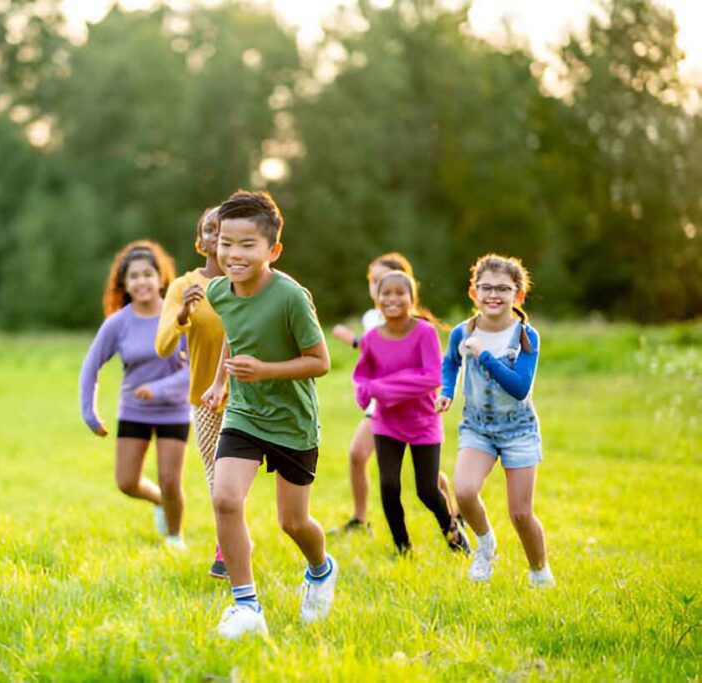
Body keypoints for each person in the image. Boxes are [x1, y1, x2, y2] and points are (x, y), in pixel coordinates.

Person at [200, 190, 336, 639]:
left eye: (247, 245)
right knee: (224, 498)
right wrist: (223, 381)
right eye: (225, 243)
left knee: (293, 522)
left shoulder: (290, 297)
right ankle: (246, 607)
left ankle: (320, 569)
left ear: (272, 250)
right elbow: (235, 336)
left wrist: (265, 371)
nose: (233, 254)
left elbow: (320, 361)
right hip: (243, 414)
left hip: (293, 423)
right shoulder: (219, 291)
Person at [437, 254, 554, 587]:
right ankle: (485, 545)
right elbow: (450, 364)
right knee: (464, 491)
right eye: (485, 288)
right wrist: (447, 390)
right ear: (473, 293)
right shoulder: (462, 332)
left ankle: (539, 571)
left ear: (518, 295)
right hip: (477, 428)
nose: (493, 295)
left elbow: (519, 388)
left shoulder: (525, 336)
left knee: (520, 513)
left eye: (503, 289)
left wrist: (484, 356)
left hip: (518, 430)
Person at [330, 254, 463, 538]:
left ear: (410, 294)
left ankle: (452, 525)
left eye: (397, 291)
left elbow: (432, 377)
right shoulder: (372, 333)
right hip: (385, 417)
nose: (389, 297)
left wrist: (382, 387)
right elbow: (363, 374)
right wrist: (365, 393)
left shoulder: (424, 331)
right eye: (379, 287)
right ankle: (399, 547)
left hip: (421, 418)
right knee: (388, 485)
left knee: (427, 488)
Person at [79, 240, 191, 549]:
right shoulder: (118, 323)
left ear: (161, 278)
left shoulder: (178, 315)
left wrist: (158, 389)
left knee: (171, 480)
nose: (141, 282)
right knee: (126, 483)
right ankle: (159, 502)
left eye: (147, 274)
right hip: (134, 410)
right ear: (125, 285)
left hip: (174, 409)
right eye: (134, 277)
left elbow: (194, 370)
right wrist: (89, 413)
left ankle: (174, 536)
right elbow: (90, 366)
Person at [155, 206, 229, 579]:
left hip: (255, 395)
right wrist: (184, 313)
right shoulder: (184, 286)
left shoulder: (251, 280)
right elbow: (163, 345)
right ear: (202, 241)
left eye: (226, 228)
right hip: (207, 401)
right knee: (220, 481)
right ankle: (227, 549)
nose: (219, 235)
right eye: (211, 229)